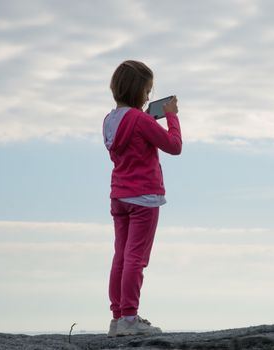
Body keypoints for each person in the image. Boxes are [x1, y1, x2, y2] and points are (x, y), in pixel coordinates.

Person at [102, 60, 182, 337]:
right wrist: (171, 115)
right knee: (136, 258)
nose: (149, 96)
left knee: (121, 257)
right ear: (139, 90)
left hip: (119, 196)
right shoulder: (141, 120)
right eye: (148, 90)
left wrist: (148, 117)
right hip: (144, 197)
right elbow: (174, 146)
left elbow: (132, 136)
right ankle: (130, 318)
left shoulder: (109, 120)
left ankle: (117, 318)